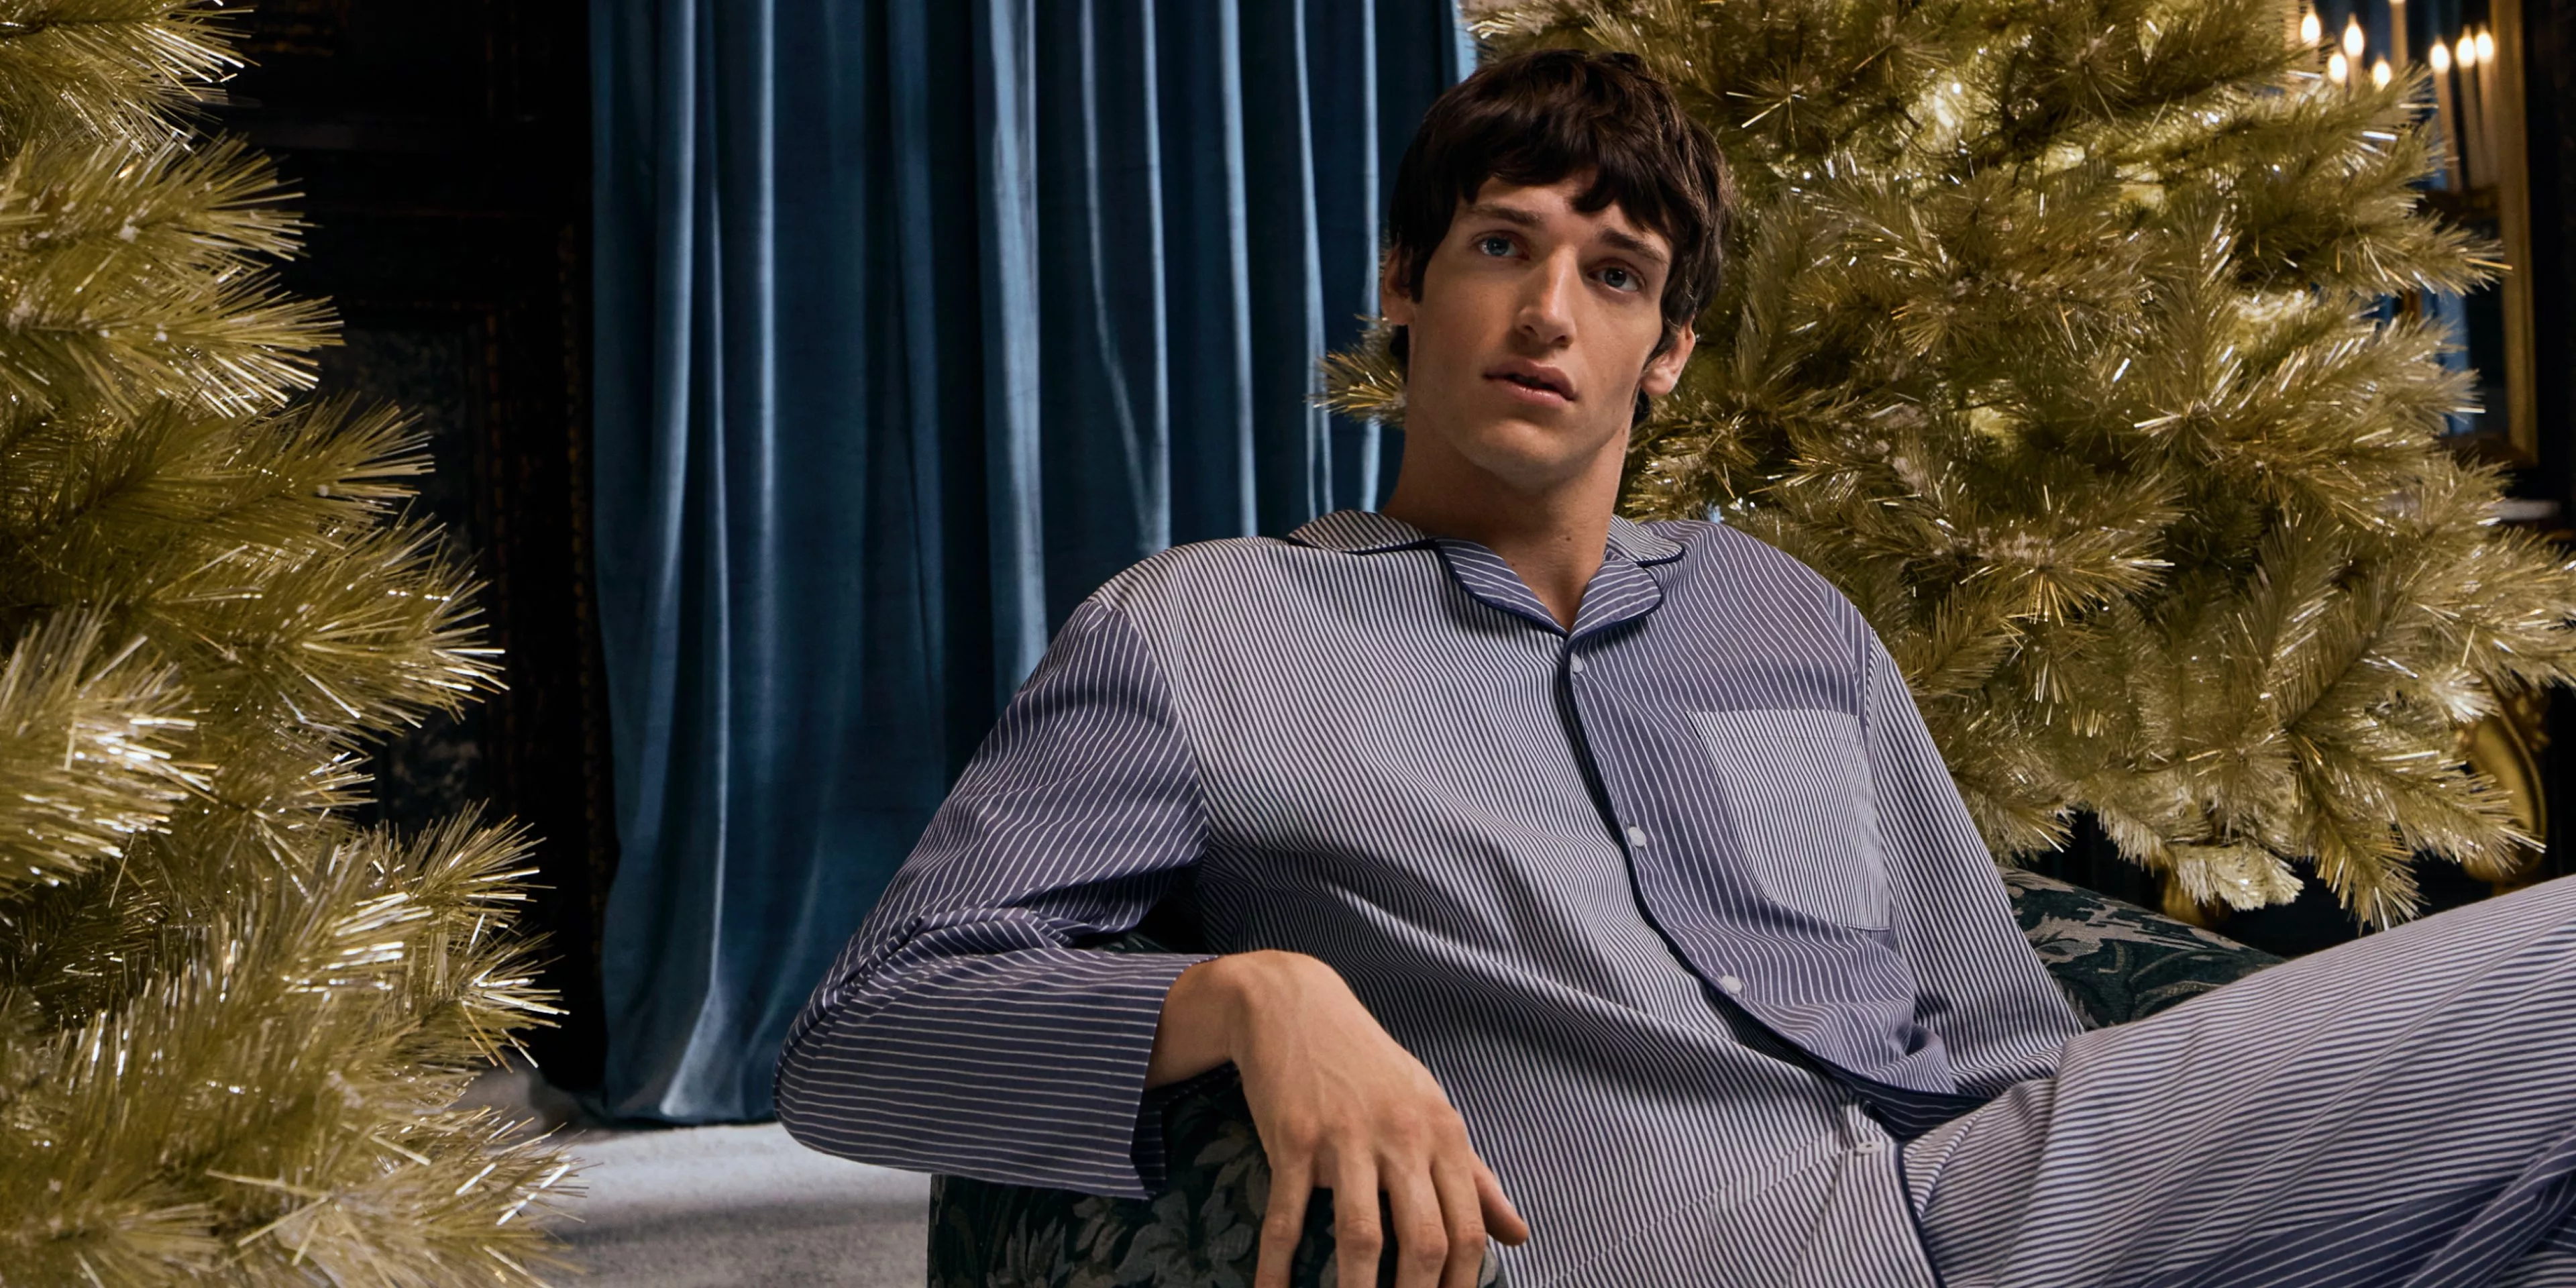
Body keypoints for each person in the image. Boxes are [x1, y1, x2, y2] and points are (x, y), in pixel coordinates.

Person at [776, 48, 2576, 1288]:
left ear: (1673, 355)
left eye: (1615, 272)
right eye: (1501, 246)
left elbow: (2004, 1026)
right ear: (1408, 285)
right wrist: (1251, 999)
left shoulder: (1780, 619)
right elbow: (862, 1046)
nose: (1549, 311)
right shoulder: (1197, 633)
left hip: (2005, 1211)